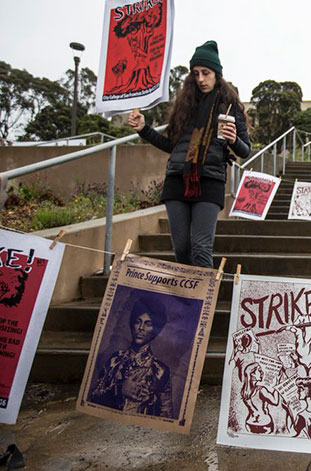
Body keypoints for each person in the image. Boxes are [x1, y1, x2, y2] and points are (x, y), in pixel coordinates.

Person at [128, 40, 251, 268]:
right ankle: (187, 299)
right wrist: (143, 129)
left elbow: (246, 149)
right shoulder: (185, 105)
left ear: (217, 74)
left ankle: (203, 303)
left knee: (201, 247)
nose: (201, 79)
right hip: (177, 179)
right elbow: (171, 146)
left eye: (206, 73)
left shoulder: (229, 106)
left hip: (210, 180)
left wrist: (233, 139)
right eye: (196, 73)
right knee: (182, 248)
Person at [89, 296, 173, 418]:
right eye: (138, 321)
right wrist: (119, 389)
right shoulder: (115, 360)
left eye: (148, 324)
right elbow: (93, 398)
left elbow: (166, 414)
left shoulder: (160, 371)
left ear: (155, 329)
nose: (141, 328)